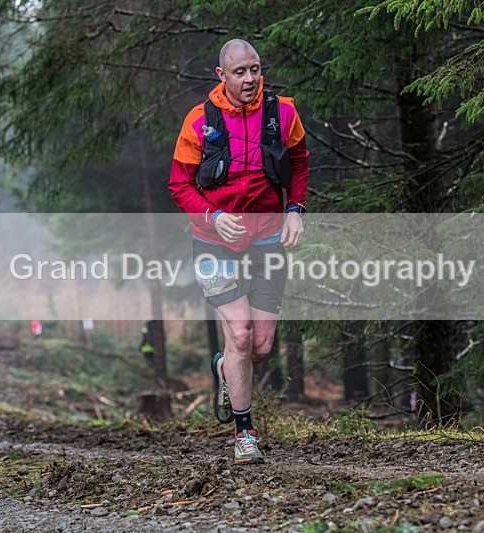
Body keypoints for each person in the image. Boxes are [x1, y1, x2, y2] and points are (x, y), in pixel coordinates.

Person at [170, 38, 309, 464]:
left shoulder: (282, 112)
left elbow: (300, 161)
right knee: (241, 333)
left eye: (255, 69)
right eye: (240, 72)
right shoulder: (199, 121)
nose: (250, 79)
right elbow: (179, 185)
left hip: (268, 238)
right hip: (213, 243)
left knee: (261, 346)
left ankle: (225, 367)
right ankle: (244, 434)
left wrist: (295, 210)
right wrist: (212, 216)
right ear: (221, 75)